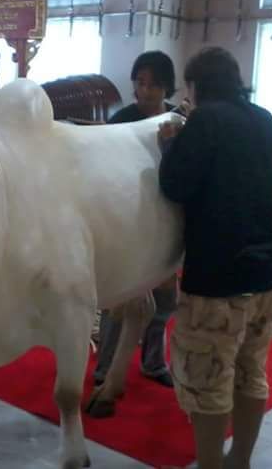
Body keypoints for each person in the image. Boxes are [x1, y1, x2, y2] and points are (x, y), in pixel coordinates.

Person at [158, 47, 272, 469]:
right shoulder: (263, 119)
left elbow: (175, 185)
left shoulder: (206, 120)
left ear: (197, 86)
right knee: (250, 372)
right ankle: (239, 461)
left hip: (217, 278)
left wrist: (170, 147)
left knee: (208, 380)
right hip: (265, 274)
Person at [94, 51, 182, 388]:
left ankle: (153, 362)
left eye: (153, 85)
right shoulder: (121, 121)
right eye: (139, 83)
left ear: (166, 88)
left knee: (164, 300)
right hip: (127, 221)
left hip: (164, 219)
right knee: (119, 299)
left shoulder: (176, 121)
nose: (144, 91)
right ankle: (104, 371)